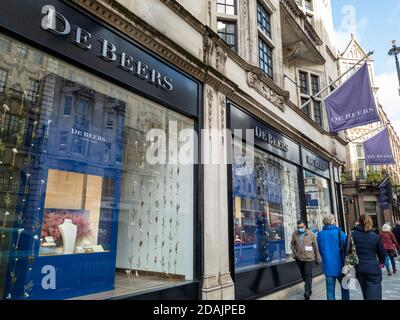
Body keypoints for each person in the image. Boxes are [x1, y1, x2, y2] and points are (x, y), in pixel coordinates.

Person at [350, 214, 386, 300]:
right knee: (374, 295)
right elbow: (382, 253)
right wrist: (381, 262)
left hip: (359, 268)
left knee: (365, 293)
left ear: (359, 222)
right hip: (373, 269)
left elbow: (346, 250)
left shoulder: (353, 235)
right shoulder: (375, 236)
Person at [317, 214, 350, 300]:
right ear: (332, 222)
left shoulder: (320, 235)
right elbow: (347, 248)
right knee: (345, 288)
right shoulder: (340, 233)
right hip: (341, 265)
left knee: (330, 289)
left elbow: (320, 249)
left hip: (328, 266)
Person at [291, 219, 321, 300]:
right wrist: (294, 253)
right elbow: (292, 244)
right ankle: (309, 286)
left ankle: (307, 291)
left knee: (308, 273)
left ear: (305, 226)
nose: (299, 228)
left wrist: (317, 258)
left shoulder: (311, 234)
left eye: (301, 227)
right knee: (303, 274)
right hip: (299, 258)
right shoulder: (295, 234)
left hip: (308, 258)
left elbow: (315, 247)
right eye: (298, 227)